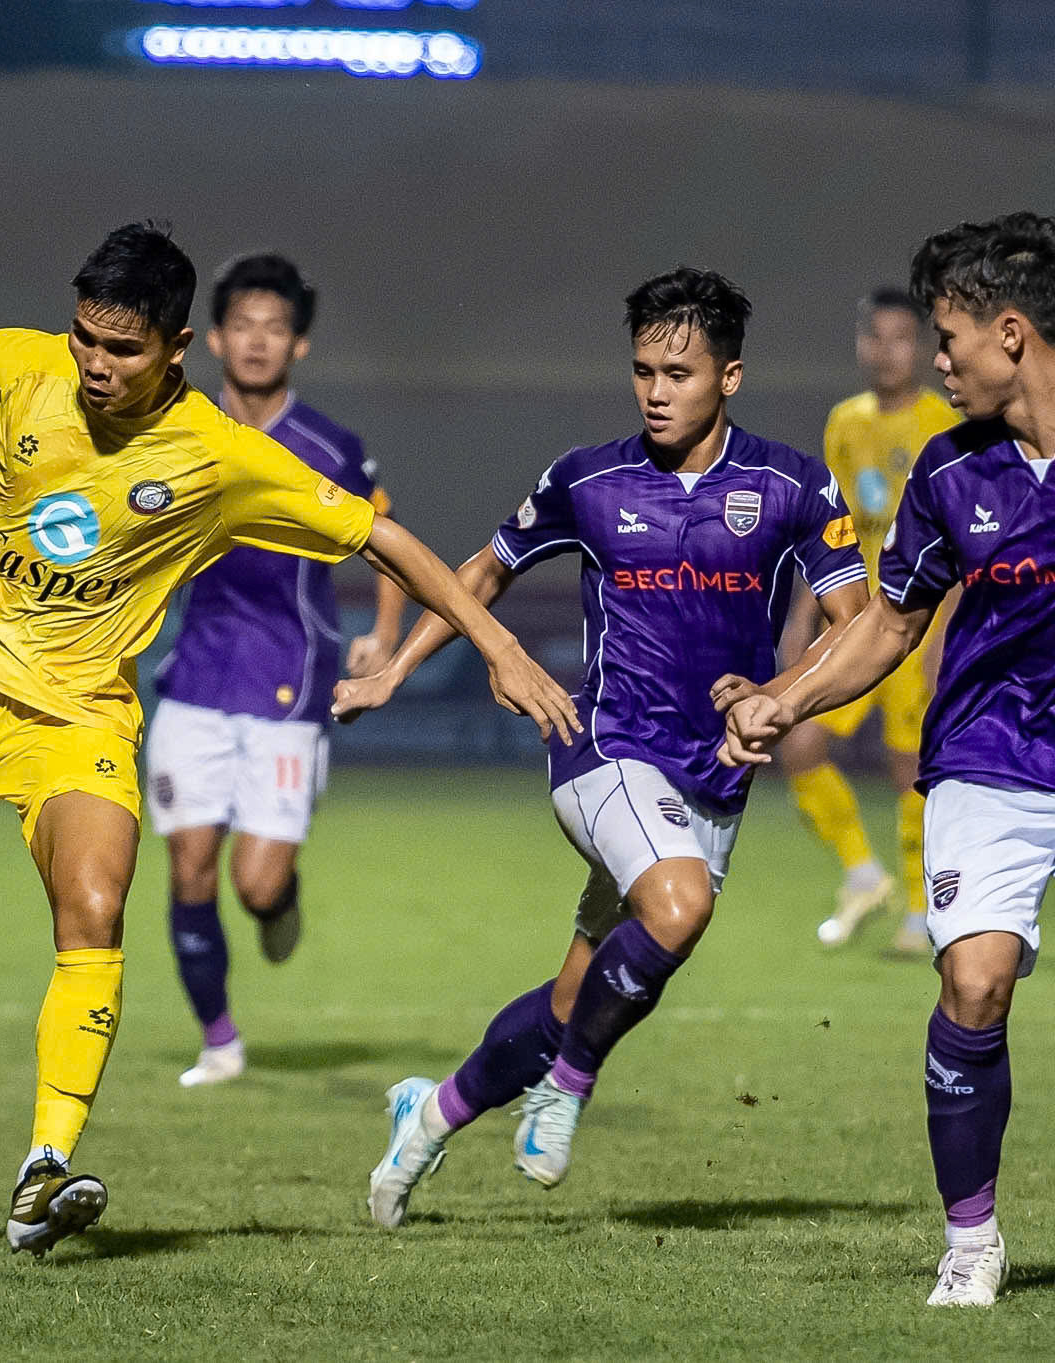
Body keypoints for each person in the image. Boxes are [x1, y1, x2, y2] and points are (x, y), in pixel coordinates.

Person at [0, 223, 576, 1255]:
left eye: (122, 349)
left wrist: (494, 646)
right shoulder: (19, 364)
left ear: (177, 346)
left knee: (92, 904)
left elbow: (382, 537)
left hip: (78, 719)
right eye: (85, 337)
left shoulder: (220, 457)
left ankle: (45, 1166)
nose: (94, 363)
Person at [346, 267, 868, 1227]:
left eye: (679, 371)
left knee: (573, 999)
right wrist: (394, 672)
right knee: (680, 904)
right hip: (601, 745)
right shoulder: (588, 478)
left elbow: (856, 621)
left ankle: (430, 1114)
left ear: (732, 377)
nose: (657, 391)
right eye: (642, 370)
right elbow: (481, 574)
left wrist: (781, 697)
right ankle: (572, 1087)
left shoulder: (791, 483)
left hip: (711, 773)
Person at [722, 212, 1055, 1308]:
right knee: (972, 982)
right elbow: (883, 625)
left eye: (948, 336)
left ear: (1010, 334)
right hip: (991, 753)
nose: (938, 359)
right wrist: (781, 697)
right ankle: (970, 1241)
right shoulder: (946, 469)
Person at [146, 253, 404, 1088]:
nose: (258, 342)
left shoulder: (330, 445)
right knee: (188, 866)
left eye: (276, 329)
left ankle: (278, 899)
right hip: (193, 679)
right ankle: (219, 1039)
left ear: (298, 347)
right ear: (214, 339)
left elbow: (388, 544)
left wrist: (384, 634)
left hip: (292, 680)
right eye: (244, 326)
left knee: (254, 886)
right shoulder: (173, 427)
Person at [782, 289, 959, 952]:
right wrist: (803, 619)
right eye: (874, 337)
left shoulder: (945, 423)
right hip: (856, 617)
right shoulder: (844, 422)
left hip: (920, 619)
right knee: (796, 739)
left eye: (899, 337)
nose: (885, 351)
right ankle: (862, 871)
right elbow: (831, 531)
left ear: (921, 346)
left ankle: (921, 909)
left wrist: (946, 634)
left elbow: (969, 540)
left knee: (909, 765)